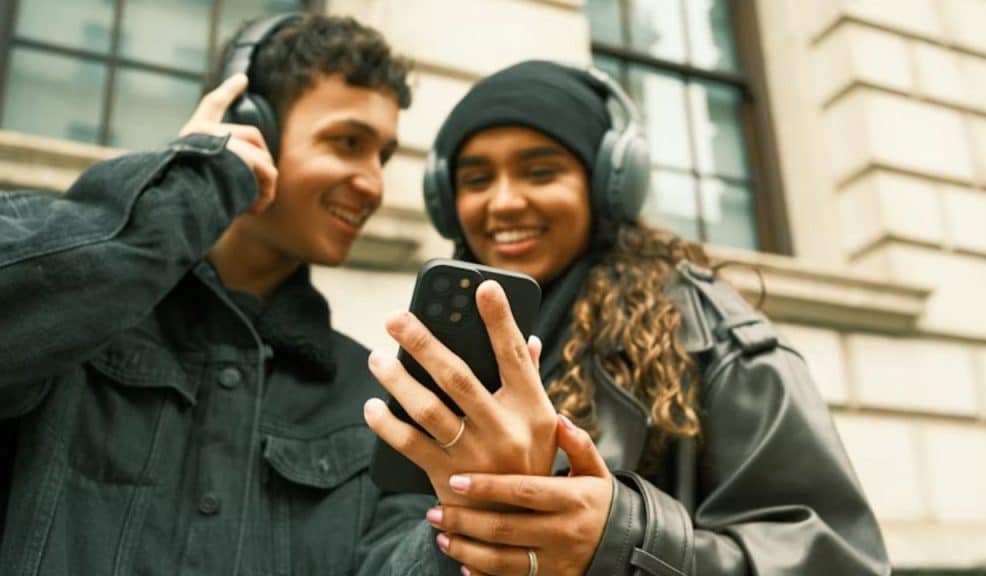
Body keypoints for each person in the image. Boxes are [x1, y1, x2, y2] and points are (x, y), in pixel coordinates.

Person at [364, 60, 892, 575]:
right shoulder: (450, 355)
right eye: (476, 179)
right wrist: (469, 530)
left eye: (540, 171)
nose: (502, 202)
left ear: (608, 185)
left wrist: (620, 542)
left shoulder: (711, 337)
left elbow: (842, 559)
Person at [0, 13, 453, 575]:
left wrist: (473, 517)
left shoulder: (372, 395)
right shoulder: (78, 324)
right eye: (347, 142)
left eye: (380, 156)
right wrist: (196, 178)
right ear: (249, 124)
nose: (374, 183)